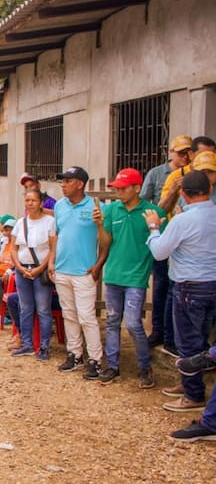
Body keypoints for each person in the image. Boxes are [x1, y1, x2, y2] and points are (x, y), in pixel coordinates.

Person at [146, 171, 216, 414]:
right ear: (209, 188)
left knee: (188, 342)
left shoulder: (183, 220)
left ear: (183, 194)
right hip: (212, 284)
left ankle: (193, 393)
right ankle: (189, 383)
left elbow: (159, 252)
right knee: (203, 338)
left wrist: (154, 228)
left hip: (189, 286)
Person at [92, 168, 164, 388]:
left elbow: (163, 242)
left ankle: (145, 367)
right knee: (112, 321)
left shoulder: (152, 212)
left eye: (123, 188)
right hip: (113, 274)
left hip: (136, 277)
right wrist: (98, 225)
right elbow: (106, 243)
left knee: (133, 323)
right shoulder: (113, 210)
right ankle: (113, 366)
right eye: (117, 188)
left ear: (137, 188)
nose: (119, 191)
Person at [48, 166, 105, 380]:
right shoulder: (60, 206)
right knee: (69, 315)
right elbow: (56, 236)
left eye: (68, 181)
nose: (63, 185)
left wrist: (98, 265)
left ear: (80, 184)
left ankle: (96, 360)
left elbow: (106, 240)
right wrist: (52, 261)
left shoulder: (95, 207)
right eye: (62, 181)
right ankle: (75, 354)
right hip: (62, 269)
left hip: (83, 271)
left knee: (87, 317)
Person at [142, 135, 191, 351]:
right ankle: (158, 330)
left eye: (187, 152)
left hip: (184, 237)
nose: (184, 157)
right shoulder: (157, 174)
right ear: (171, 152)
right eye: (180, 152)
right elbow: (144, 202)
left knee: (176, 288)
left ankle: (174, 336)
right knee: (161, 285)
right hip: (162, 234)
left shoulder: (194, 174)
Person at [9, 189, 56, 361]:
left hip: (40, 270)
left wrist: (40, 268)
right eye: (27, 200)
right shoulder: (21, 223)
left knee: (43, 309)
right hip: (23, 269)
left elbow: (52, 248)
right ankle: (27, 344)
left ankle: (44, 346)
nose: (30, 203)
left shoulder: (49, 222)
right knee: (25, 308)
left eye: (33, 200)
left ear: (41, 202)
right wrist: (19, 267)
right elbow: (14, 247)